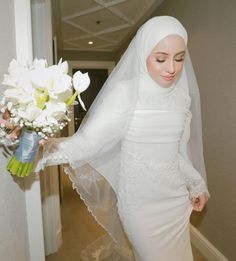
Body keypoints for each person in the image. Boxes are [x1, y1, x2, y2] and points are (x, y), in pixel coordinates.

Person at [36, 16, 210, 261]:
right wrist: (40, 150)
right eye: (161, 59)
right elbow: (87, 143)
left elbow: (177, 152)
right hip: (140, 208)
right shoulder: (126, 93)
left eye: (179, 58)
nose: (171, 68)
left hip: (175, 203)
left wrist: (196, 184)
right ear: (144, 54)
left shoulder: (181, 99)